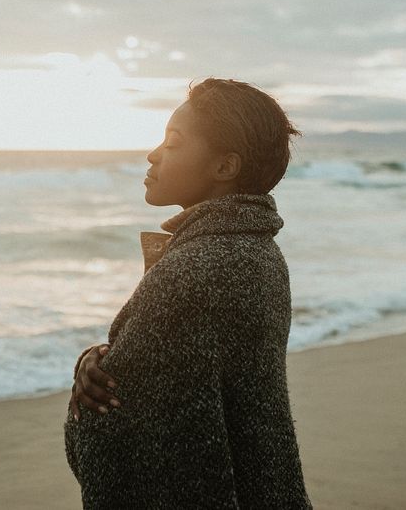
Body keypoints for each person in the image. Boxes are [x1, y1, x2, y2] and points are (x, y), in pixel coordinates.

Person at [63, 77, 312, 509]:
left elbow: (113, 441)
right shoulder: (258, 253)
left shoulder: (192, 272)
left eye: (173, 142)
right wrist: (103, 357)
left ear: (224, 167)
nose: (152, 153)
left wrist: (86, 397)